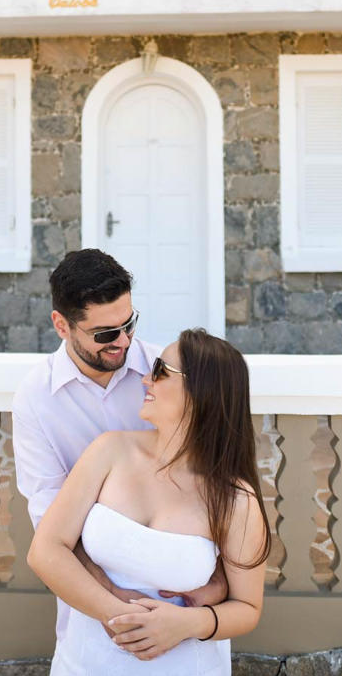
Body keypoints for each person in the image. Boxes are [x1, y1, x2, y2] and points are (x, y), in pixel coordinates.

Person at [28, 328, 271, 676]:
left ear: (200, 392)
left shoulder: (236, 499)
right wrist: (114, 612)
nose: (145, 378)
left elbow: (248, 608)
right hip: (84, 675)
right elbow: (45, 551)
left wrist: (187, 624)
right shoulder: (109, 451)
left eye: (160, 371)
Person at [12, 249, 226, 648]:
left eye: (129, 324)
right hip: (92, 601)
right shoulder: (35, 399)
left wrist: (218, 582)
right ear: (62, 325)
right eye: (106, 333)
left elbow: (217, 477)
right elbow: (50, 520)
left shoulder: (165, 372)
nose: (124, 340)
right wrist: (110, 599)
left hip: (182, 598)